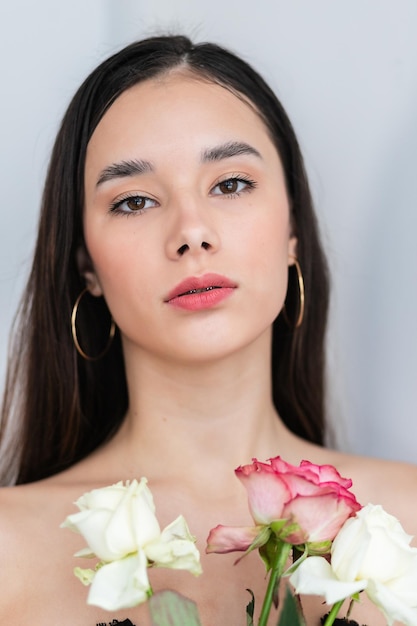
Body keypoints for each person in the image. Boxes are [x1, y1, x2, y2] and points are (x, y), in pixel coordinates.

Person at [0, 34, 415, 626]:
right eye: (135, 201)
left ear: (293, 230)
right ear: (86, 267)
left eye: (231, 184)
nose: (192, 232)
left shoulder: (410, 524)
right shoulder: (7, 551)